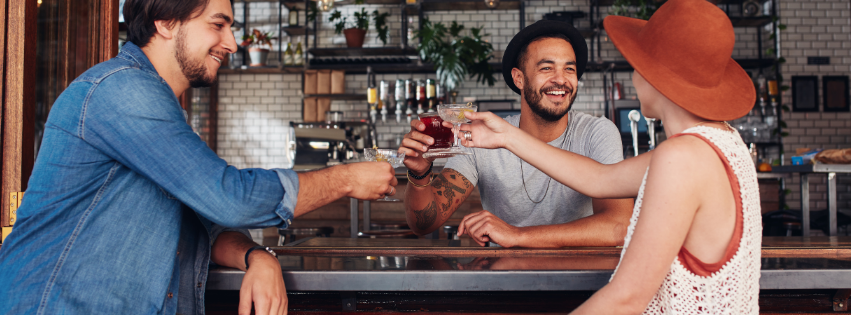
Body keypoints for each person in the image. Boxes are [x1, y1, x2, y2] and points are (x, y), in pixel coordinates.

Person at [0, 0, 397, 314]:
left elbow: (202, 224)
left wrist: (256, 255)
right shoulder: (122, 92)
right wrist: (346, 178)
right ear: (166, 22)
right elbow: (230, 198)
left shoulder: (160, 108)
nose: (233, 43)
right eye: (218, 24)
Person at [458, 0, 761, 313]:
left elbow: (627, 298)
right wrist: (506, 135)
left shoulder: (680, 157)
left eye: (636, 64)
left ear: (654, 76)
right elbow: (599, 179)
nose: (633, 76)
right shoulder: (722, 143)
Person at [399, 20, 633, 248]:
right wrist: (420, 174)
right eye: (546, 68)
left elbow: (619, 227)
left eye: (569, 69)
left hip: (581, 280)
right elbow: (424, 224)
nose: (561, 79)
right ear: (518, 78)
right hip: (505, 280)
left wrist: (519, 235)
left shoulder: (596, 132)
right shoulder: (483, 136)